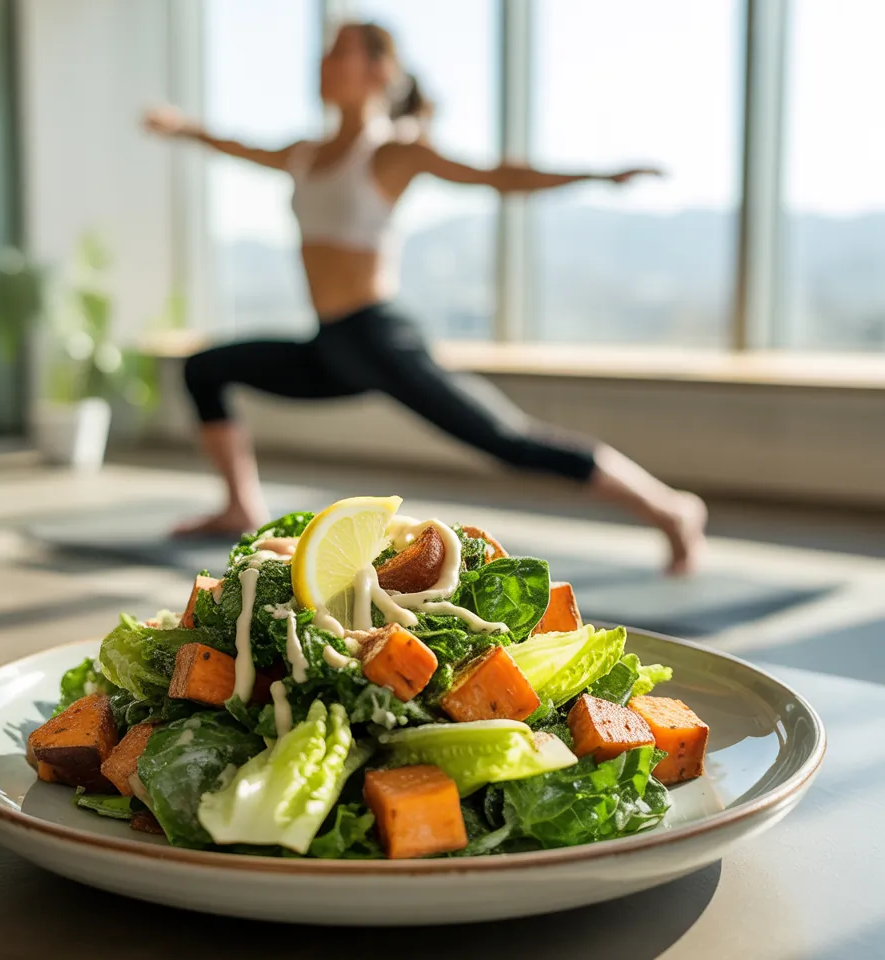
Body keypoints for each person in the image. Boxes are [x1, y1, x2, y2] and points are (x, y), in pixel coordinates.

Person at [144, 21, 707, 573]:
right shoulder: (303, 153)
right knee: (205, 368)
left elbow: (496, 176)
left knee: (507, 441)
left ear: (378, 70)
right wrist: (183, 129)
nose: (323, 63)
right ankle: (241, 505)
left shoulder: (392, 152)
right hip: (331, 346)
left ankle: (670, 507)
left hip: (378, 337)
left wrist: (597, 176)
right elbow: (237, 146)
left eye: (339, 52)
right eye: (324, 52)